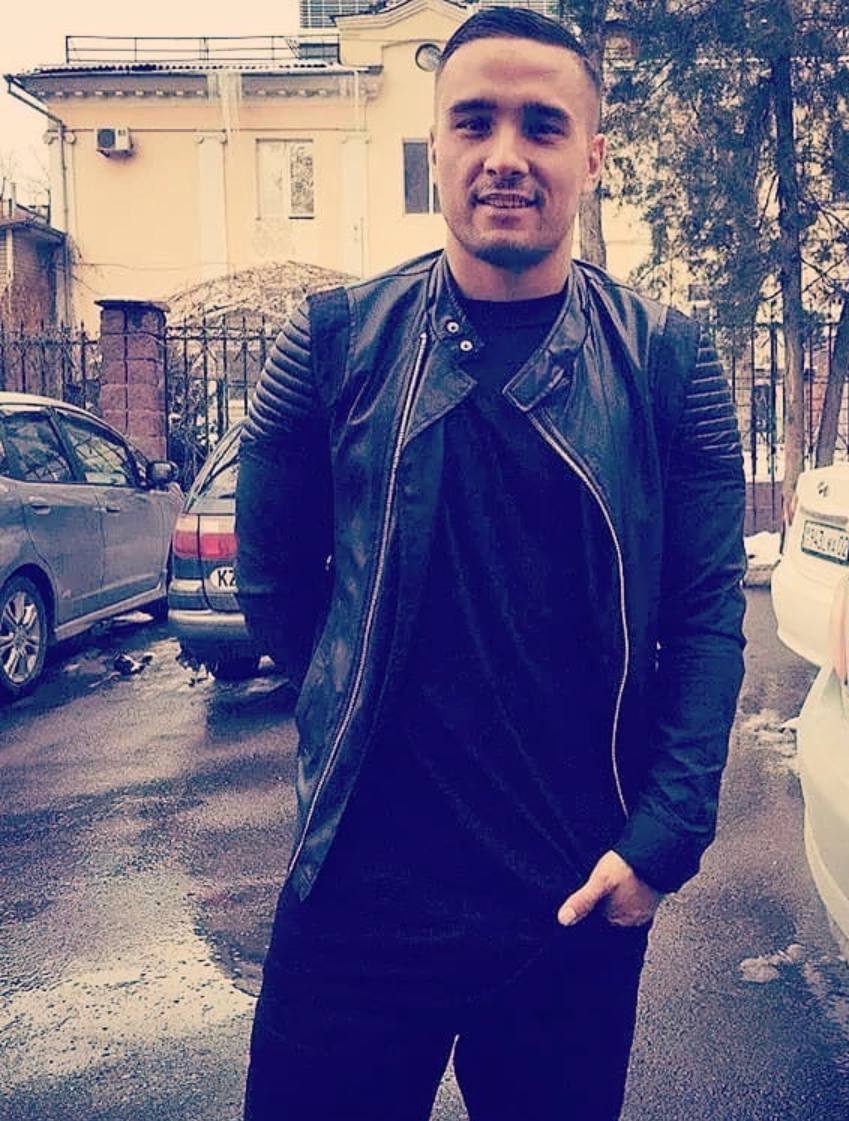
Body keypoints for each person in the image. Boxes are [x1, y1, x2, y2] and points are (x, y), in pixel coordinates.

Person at [235, 7, 746, 1120]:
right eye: (473, 122)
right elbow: (273, 581)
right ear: (436, 146)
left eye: (541, 125)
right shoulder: (331, 342)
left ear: (592, 157)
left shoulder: (669, 362)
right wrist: (351, 705)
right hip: (355, 907)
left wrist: (663, 841)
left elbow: (706, 618)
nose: (504, 154)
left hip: (571, 907)